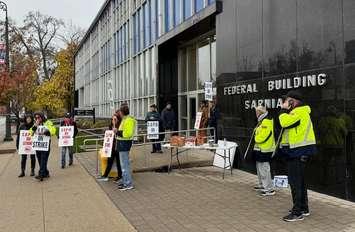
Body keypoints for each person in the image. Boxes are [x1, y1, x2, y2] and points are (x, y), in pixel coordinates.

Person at [278, 91, 316, 222]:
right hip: (299, 152)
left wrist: (283, 110)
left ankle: (297, 212)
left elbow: (284, 122)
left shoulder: (298, 112)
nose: (284, 103)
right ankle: (303, 208)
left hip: (297, 152)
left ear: (292, 102)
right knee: (300, 182)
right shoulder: (302, 112)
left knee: (295, 183)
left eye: (287, 101)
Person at [252, 106, 276, 196]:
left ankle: (269, 189)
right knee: (260, 169)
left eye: (257, 112)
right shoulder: (261, 121)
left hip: (265, 150)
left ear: (260, 112)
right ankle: (262, 185)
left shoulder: (266, 121)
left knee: (264, 169)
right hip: (260, 149)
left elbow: (263, 136)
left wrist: (256, 136)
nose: (256, 114)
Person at [30, 112, 56, 181]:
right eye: (36, 118)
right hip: (38, 145)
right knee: (40, 160)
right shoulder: (35, 124)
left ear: (42, 117)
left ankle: (41, 175)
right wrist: (35, 126)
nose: (37, 119)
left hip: (45, 145)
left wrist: (46, 132)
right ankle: (46, 172)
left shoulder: (48, 122)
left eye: (38, 117)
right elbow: (30, 132)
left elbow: (53, 130)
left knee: (43, 159)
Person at [116, 104, 137, 191]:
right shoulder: (126, 119)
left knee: (124, 165)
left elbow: (127, 133)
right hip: (123, 144)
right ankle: (125, 181)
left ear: (122, 112)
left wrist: (117, 132)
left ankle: (128, 183)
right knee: (124, 164)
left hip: (124, 144)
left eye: (120, 112)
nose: (119, 113)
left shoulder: (128, 120)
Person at [97, 113, 122, 182]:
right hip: (111, 148)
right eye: (112, 119)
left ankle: (120, 176)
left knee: (119, 162)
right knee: (109, 162)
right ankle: (105, 175)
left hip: (118, 147)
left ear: (118, 120)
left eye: (115, 119)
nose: (113, 121)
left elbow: (121, 135)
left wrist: (116, 131)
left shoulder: (120, 126)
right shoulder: (111, 126)